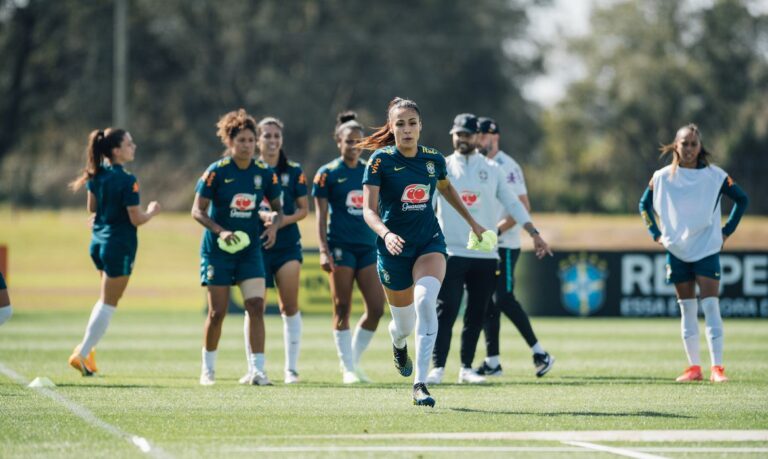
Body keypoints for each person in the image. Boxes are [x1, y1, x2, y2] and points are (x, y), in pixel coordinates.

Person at [359, 97, 487, 407]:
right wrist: (386, 234)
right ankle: (398, 341)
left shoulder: (433, 159)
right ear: (392, 128)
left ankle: (420, 383)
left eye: (412, 123)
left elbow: (445, 189)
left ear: (421, 126)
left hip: (429, 243)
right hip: (393, 250)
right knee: (403, 324)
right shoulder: (380, 161)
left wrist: (473, 222)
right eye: (399, 124)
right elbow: (368, 210)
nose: (406, 129)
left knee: (425, 300)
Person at [428, 114, 552, 385]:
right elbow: (428, 205)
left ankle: (466, 368)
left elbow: (514, 203)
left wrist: (534, 232)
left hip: (485, 253)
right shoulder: (443, 166)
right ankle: (437, 367)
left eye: (467, 134)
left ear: (477, 137)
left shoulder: (492, 169)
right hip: (451, 250)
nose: (462, 139)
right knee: (445, 310)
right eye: (458, 134)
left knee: (476, 313)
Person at [639, 123, 748, 383]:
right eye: (684, 143)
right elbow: (643, 204)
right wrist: (655, 233)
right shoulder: (662, 176)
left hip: (706, 249)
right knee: (687, 309)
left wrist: (726, 232)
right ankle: (694, 368)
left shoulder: (715, 175)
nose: (688, 148)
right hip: (676, 250)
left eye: (693, 144)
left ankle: (717, 368)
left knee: (711, 306)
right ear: (675, 145)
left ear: (700, 148)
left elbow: (742, 199)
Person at [192, 109, 283, 386]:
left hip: (249, 251)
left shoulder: (264, 173)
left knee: (256, 306)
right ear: (230, 143)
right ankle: (207, 370)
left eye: (251, 140)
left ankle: (258, 370)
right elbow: (197, 211)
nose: (247, 145)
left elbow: (277, 210)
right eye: (241, 140)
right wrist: (221, 231)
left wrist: (272, 224)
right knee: (217, 312)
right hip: (218, 251)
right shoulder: (216, 172)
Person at [67, 128, 161, 376]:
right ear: (116, 150)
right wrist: (152, 211)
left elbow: (92, 208)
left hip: (97, 244)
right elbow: (136, 219)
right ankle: (82, 352)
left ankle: (89, 353)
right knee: (109, 304)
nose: (134, 146)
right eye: (129, 143)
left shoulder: (95, 174)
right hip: (118, 245)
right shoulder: (127, 179)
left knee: (103, 299)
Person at [475, 117, 555, 378]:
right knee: (487, 301)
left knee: (504, 298)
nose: (478, 140)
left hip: (505, 245)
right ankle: (493, 361)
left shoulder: (508, 166)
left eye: (482, 135)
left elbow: (522, 206)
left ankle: (540, 352)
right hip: (484, 245)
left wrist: (496, 230)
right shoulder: (476, 164)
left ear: (494, 136)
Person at [313, 111, 385, 384]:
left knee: (376, 309)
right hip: (340, 247)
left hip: (367, 248)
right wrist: (323, 249)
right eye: (349, 142)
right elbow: (320, 217)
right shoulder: (327, 174)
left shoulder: (371, 170)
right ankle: (348, 369)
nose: (354, 147)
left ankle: (352, 363)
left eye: (359, 142)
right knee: (342, 307)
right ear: (338, 142)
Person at [240, 116, 307, 385]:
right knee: (254, 307)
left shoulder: (293, 170)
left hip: (287, 246)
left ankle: (291, 369)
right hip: (256, 246)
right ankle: (254, 368)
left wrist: (277, 221)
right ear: (258, 140)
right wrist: (261, 216)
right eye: (267, 135)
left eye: (276, 136)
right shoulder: (248, 169)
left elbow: (303, 210)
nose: (272, 140)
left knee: (289, 306)